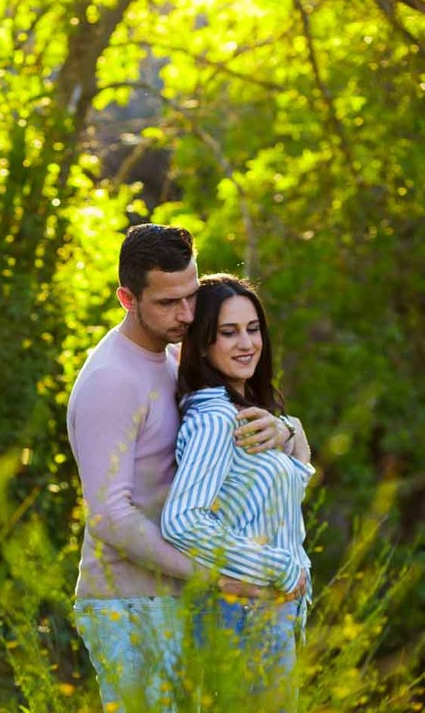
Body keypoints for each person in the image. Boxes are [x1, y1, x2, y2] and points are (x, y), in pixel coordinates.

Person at [67, 225, 296, 712]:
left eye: (192, 297)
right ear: (127, 298)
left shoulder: (176, 354)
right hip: (128, 605)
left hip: (183, 599)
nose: (188, 314)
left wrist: (286, 431)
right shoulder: (111, 380)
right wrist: (212, 578)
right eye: (169, 303)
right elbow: (109, 515)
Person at [161, 274, 312, 708]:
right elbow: (183, 520)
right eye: (228, 332)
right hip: (240, 615)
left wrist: (290, 430)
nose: (246, 343)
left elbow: (276, 498)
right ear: (204, 344)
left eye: (252, 328)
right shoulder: (214, 419)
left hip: (269, 616)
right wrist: (279, 567)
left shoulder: (246, 411)